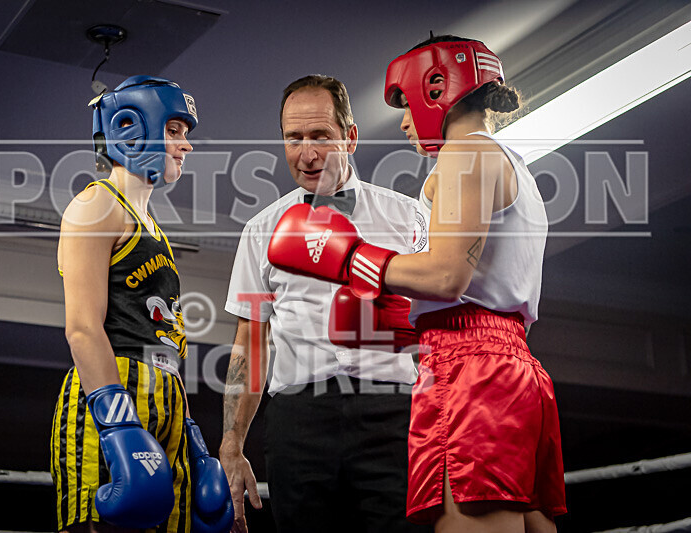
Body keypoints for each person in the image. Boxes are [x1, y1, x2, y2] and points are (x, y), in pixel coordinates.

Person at [267, 37, 567, 532]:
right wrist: (405, 323)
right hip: (510, 365)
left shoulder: (464, 154)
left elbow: (448, 276)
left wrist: (350, 258)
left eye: (406, 106)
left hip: (471, 371)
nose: (405, 122)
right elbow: (484, 293)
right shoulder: (512, 163)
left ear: (436, 89)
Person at [219, 74, 429, 533]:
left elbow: (442, 320)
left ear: (350, 137)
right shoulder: (261, 229)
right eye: (293, 138)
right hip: (299, 417)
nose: (306, 153)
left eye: (320, 137)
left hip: (393, 412)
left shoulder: (411, 216)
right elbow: (251, 341)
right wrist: (232, 443)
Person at [50, 76, 232, 533]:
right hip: (112, 394)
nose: (186, 146)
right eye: (174, 130)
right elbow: (82, 328)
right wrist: (118, 425)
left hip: (166, 398)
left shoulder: (155, 228)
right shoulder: (96, 205)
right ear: (132, 128)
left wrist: (193, 437)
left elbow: (165, 339)